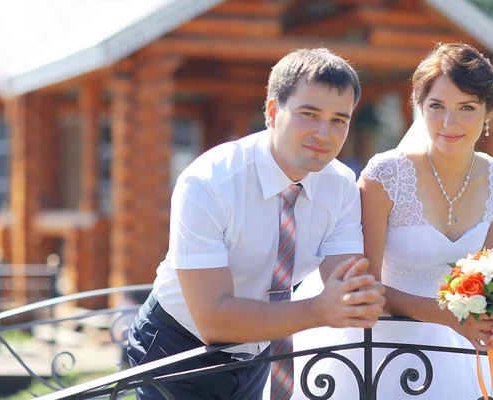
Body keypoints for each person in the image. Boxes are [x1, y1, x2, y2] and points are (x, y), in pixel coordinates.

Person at [126, 48, 386, 400]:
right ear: (273, 111)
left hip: (260, 354)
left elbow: (343, 284)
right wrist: (318, 310)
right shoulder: (207, 182)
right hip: (178, 350)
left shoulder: (341, 185)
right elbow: (213, 320)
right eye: (309, 114)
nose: (324, 134)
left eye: (339, 120)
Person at [291, 43, 493, 399]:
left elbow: (489, 283)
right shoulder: (386, 175)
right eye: (436, 107)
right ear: (419, 107)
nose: (449, 123)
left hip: (454, 347)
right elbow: (363, 284)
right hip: (374, 343)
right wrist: (445, 315)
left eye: (466, 108)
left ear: (488, 112)